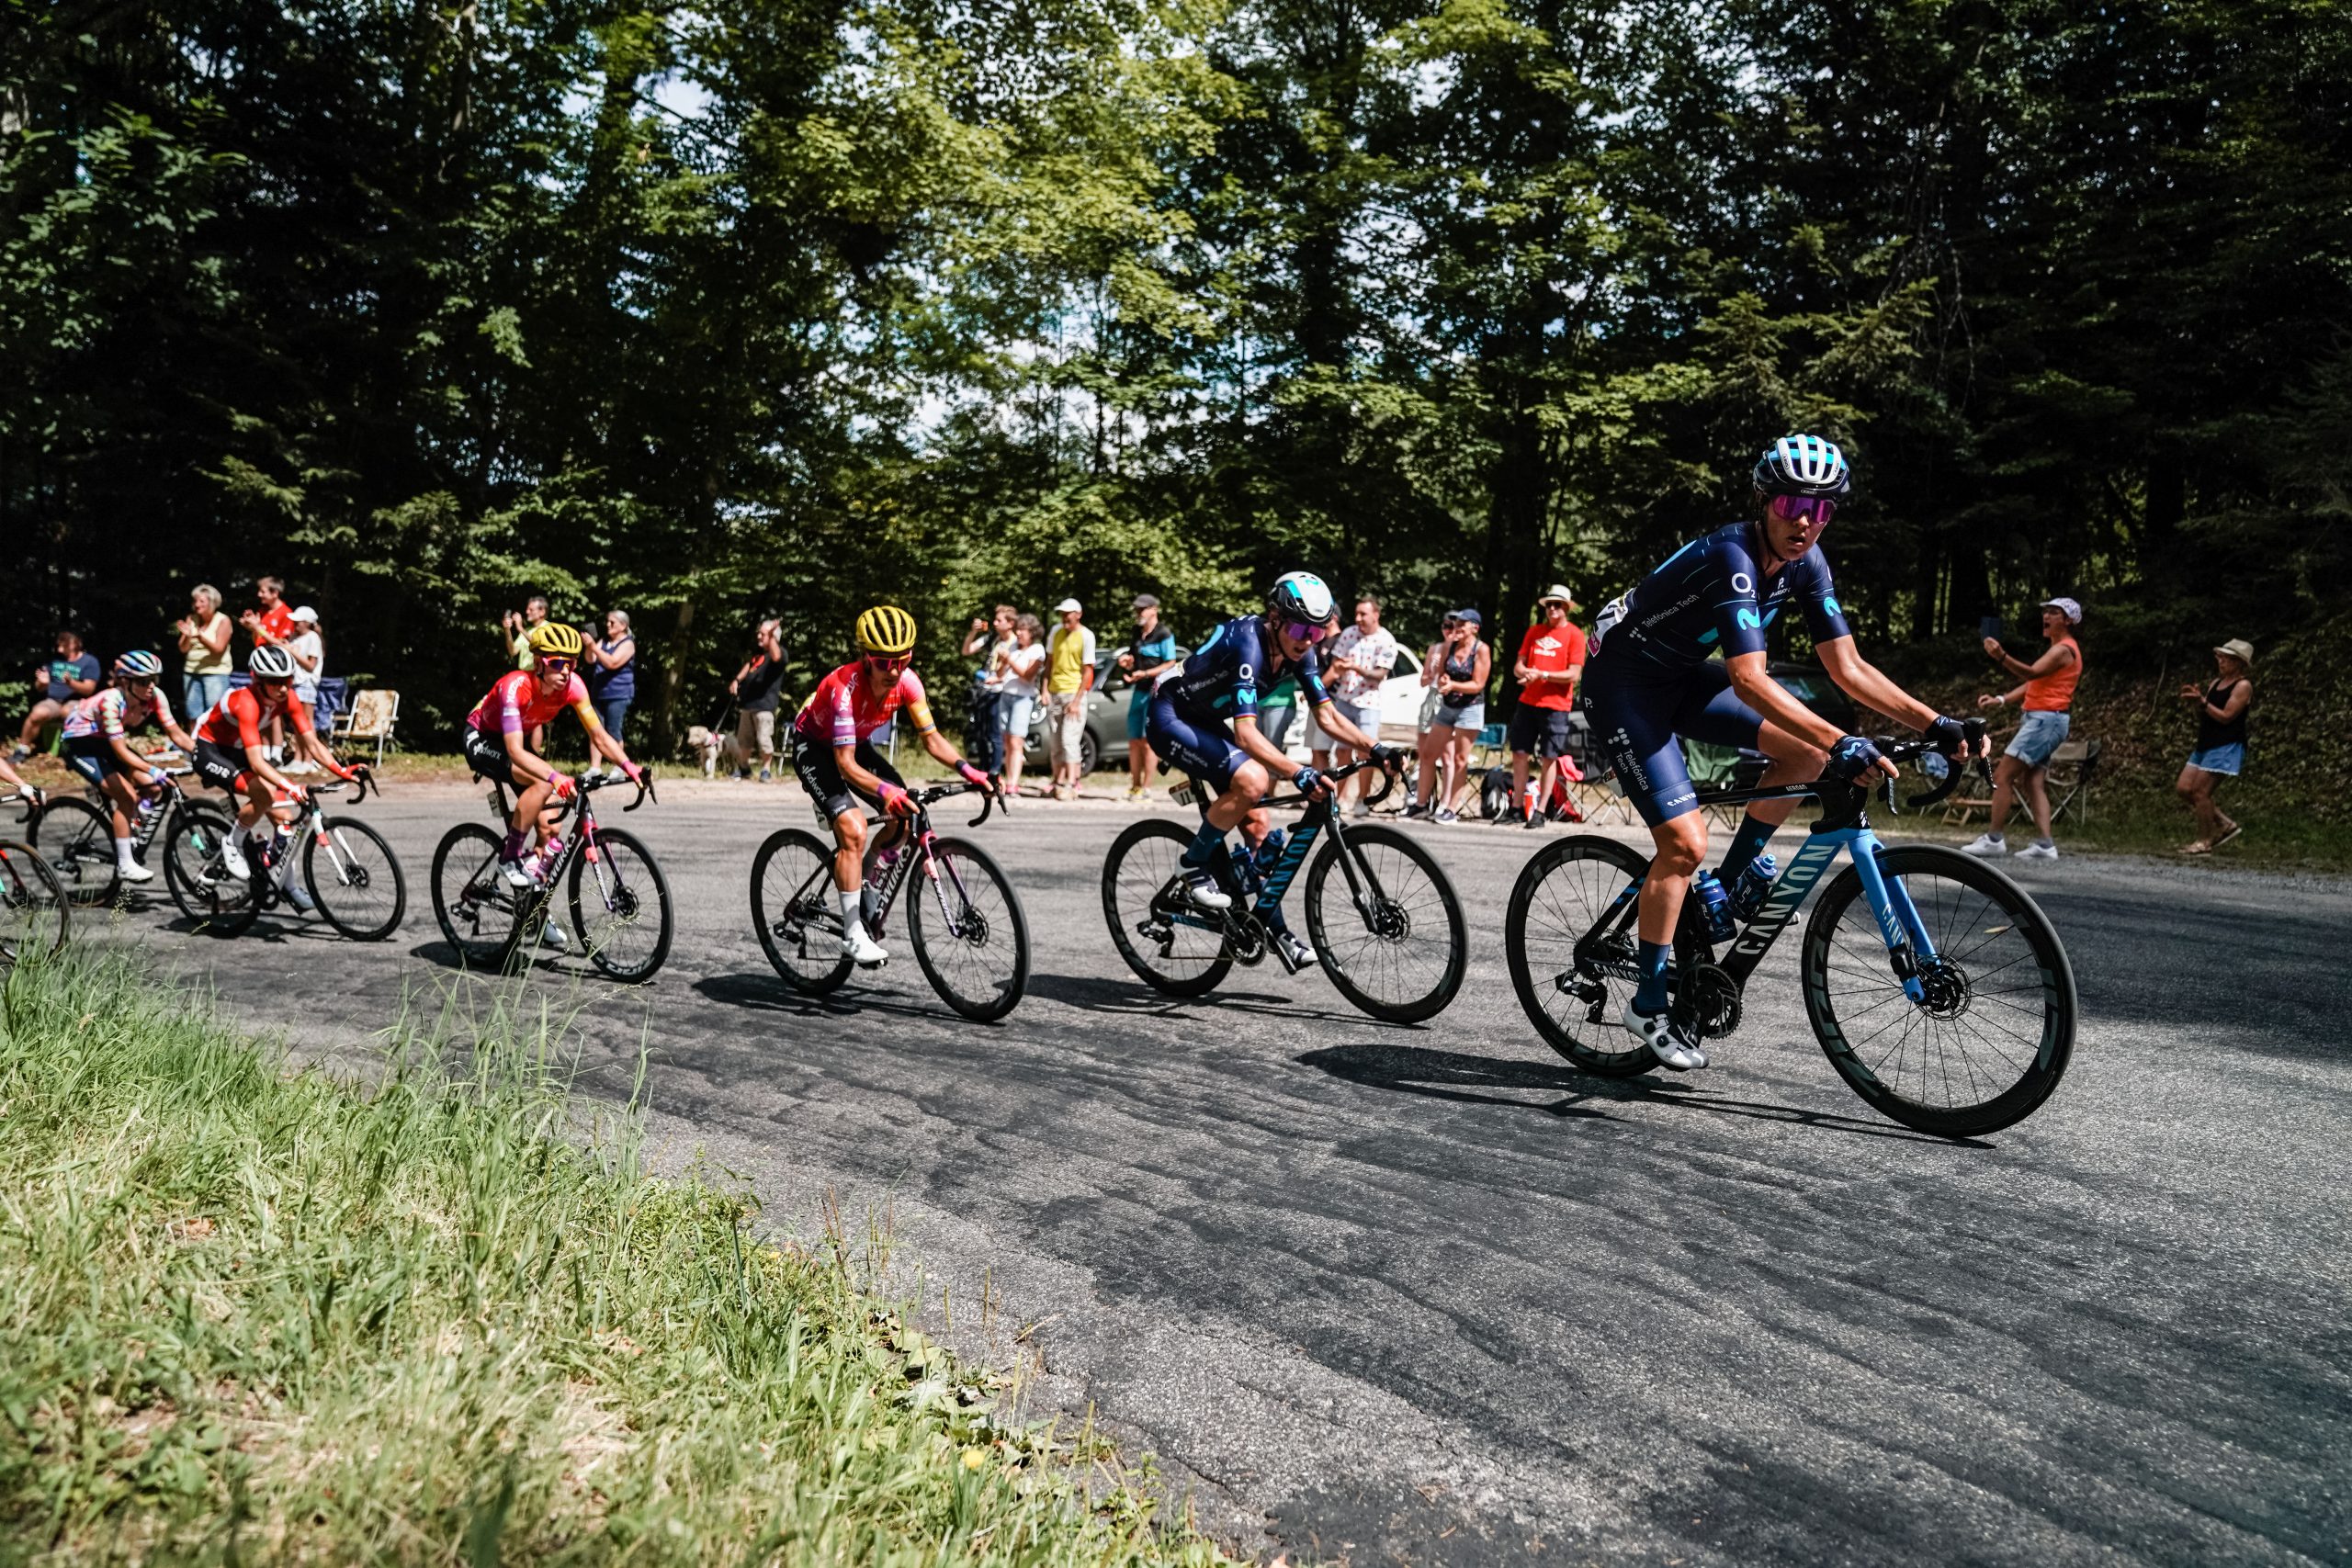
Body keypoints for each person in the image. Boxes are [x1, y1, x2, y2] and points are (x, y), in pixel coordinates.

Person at [1581, 433, 1980, 1072]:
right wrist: (1841, 736)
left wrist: (1938, 723)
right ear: (1765, 500)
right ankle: (1649, 999)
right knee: (1683, 843)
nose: (1804, 521)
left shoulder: (1807, 564)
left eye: (1820, 510)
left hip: (1680, 676)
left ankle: (1729, 885)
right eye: (1793, 503)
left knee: (1806, 759)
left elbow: (1847, 666)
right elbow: (1750, 679)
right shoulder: (1731, 556)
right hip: (1623, 686)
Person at [1146, 571, 1391, 972]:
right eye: (1298, 627)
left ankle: (1272, 929)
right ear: (1274, 617)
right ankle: (1193, 865)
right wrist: (1299, 772)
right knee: (1254, 780)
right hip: (1170, 714)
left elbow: (1327, 715)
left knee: (1258, 824)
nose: (1307, 639)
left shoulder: (1302, 650)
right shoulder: (1248, 643)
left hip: (1205, 720)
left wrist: (1375, 748)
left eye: (1317, 631)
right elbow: (1246, 733)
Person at [790, 606, 993, 967]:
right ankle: (853, 934)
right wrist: (885, 792)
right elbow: (845, 764)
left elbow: (932, 740)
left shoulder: (908, 683)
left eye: (903, 660)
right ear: (866, 659)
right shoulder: (843, 689)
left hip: (858, 744)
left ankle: (862, 877)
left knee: (903, 815)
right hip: (816, 749)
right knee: (853, 830)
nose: (895, 670)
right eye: (884, 663)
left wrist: (970, 771)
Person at [460, 622, 642, 899]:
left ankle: (534, 913)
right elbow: (515, 752)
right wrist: (555, 777)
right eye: (558, 662)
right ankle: (509, 858)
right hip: (483, 738)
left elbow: (600, 736)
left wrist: (629, 767)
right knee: (544, 782)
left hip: (514, 743)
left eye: (572, 662)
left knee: (550, 828)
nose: (566, 670)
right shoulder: (515, 686)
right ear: (539, 663)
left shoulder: (573, 686)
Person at [191, 646, 365, 894]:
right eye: (275, 682)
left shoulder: (287, 697)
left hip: (237, 749)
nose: (283, 688)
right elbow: (258, 763)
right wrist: (290, 786)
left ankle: (287, 885)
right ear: (258, 681)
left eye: (287, 680)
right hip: (210, 750)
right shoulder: (247, 702)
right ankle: (232, 842)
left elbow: (312, 743)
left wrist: (342, 770)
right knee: (264, 794)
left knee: (283, 820)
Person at [60, 650, 198, 884]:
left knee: (154, 789)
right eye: (144, 681)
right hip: (80, 745)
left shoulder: (156, 696)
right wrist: (153, 769)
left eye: (154, 680)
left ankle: (130, 825)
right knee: (127, 796)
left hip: (106, 743)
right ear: (127, 681)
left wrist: (201, 755)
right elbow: (121, 751)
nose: (151, 686)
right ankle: (125, 864)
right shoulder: (111, 700)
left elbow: (175, 733)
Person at [1962, 598, 2083, 863]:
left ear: (2068, 621)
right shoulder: (2057, 650)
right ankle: (2045, 845)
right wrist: (2002, 699)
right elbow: (2035, 684)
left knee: (2003, 775)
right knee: (2032, 781)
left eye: (2054, 613)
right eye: (2045, 612)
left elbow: (2030, 674)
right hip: (2046, 721)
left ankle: (1994, 839)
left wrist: (2001, 656)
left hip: (2045, 722)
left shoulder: (2063, 650)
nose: (2046, 616)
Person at [1306, 596, 1399, 818]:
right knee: (1342, 751)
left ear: (1375, 615)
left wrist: (1356, 668)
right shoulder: (1349, 634)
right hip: (1344, 698)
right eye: (1356, 614)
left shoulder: (1386, 639)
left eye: (1363, 614)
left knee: (1367, 752)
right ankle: (1339, 799)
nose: (1358, 619)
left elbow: (1379, 674)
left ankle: (1362, 799)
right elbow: (1337, 665)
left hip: (1368, 703)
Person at [1507, 586, 1587, 829]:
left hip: (1556, 705)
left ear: (1566, 608)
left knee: (1548, 758)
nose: (1552, 609)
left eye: (1557, 605)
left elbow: (1574, 673)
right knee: (1519, 754)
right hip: (1528, 701)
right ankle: (1517, 807)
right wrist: (1528, 672)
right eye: (1549, 604)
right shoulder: (1535, 631)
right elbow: (1518, 666)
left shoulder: (1574, 635)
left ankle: (1540, 810)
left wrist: (1542, 674)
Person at [1408, 610, 1489, 823]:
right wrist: (1444, 681)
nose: (1458, 627)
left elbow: (1478, 684)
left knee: (1459, 759)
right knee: (1427, 754)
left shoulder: (1481, 650)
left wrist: (1453, 685)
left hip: (1470, 708)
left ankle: (1451, 808)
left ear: (1475, 627)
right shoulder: (1449, 646)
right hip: (1447, 706)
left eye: (1463, 623)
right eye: (1456, 623)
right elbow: (1443, 672)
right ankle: (1420, 804)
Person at [2176, 637, 2254, 854]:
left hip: (2226, 744)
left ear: (2238, 663)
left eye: (2227, 659)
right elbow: (2206, 714)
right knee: (2184, 788)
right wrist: (2196, 703)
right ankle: (2224, 823)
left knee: (2201, 792)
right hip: (2206, 742)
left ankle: (2204, 841)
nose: (2221, 662)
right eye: (2220, 657)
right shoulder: (2215, 684)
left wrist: (2203, 703)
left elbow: (2227, 716)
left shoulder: (2243, 686)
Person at [1117, 594, 1181, 801]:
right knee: (1134, 740)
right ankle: (1134, 785)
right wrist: (1127, 662)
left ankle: (1146, 787)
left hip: (1156, 691)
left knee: (1147, 741)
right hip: (1139, 689)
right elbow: (1134, 657)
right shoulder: (1136, 632)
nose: (1139, 613)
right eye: (1137, 610)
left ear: (1154, 610)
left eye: (1142, 609)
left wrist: (1145, 673)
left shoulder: (1164, 633)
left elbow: (1170, 662)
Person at [12, 630, 101, 762]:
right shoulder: (54, 661)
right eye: (58, 645)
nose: (59, 649)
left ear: (74, 644)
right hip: (53, 701)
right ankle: (22, 750)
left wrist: (72, 683)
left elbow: (89, 689)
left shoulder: (89, 661)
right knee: (37, 713)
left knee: (69, 713)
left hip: (76, 701)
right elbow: (38, 687)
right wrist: (42, 683)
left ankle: (73, 754)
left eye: (63, 645)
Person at [1044, 598, 1096, 799]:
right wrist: (1044, 689)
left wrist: (1076, 700)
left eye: (1068, 614)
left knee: (1069, 740)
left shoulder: (1086, 636)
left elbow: (1088, 671)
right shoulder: (1056, 631)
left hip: (1074, 693)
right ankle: (1057, 781)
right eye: (1062, 614)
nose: (1064, 617)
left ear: (1078, 614)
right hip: (1055, 692)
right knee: (1055, 742)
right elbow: (1049, 662)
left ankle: (1073, 783)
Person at [729, 618, 787, 781]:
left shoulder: (779, 654)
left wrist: (772, 636)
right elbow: (748, 667)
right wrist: (736, 680)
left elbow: (776, 657)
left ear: (773, 636)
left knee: (764, 739)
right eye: (759, 633)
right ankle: (744, 769)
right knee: (744, 741)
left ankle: (766, 770)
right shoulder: (758, 656)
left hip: (765, 706)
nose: (759, 636)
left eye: (763, 634)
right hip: (748, 705)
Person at [961, 606, 1017, 777]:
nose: (994, 623)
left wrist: (999, 677)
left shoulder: (1016, 643)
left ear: (1010, 624)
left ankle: (995, 771)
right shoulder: (993, 638)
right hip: (984, 690)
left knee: (995, 734)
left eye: (999, 620)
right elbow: (966, 651)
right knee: (980, 732)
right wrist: (972, 632)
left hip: (1000, 691)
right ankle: (983, 770)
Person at [996, 614, 1046, 796]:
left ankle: (1013, 784)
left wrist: (1009, 659)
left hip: (1023, 698)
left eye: (1022, 630)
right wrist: (1003, 662)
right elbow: (1000, 674)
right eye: (1017, 629)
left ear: (1031, 632)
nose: (1018, 633)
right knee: (1007, 741)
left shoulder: (1037, 650)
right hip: (1006, 695)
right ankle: (1008, 778)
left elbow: (1027, 676)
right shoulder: (1013, 648)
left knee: (1017, 741)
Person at [583, 610, 638, 775]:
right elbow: (590, 659)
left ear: (623, 626)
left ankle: (620, 766)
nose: (608, 625)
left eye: (612, 622)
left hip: (618, 694)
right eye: (607, 621)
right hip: (599, 692)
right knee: (595, 729)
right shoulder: (604, 642)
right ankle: (595, 767)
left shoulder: (628, 644)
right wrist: (590, 646)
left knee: (613, 730)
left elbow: (612, 663)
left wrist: (593, 647)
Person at [176, 584, 234, 718]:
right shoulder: (191, 619)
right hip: (191, 672)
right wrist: (188, 636)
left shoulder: (223, 620)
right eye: (195, 601)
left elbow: (219, 649)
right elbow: (183, 648)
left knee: (215, 715)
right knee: (193, 714)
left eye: (201, 601)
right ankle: (194, 739)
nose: (197, 604)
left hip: (215, 674)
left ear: (212, 602)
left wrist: (200, 637)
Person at [281, 606, 326, 773]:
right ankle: (298, 758)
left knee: (306, 722)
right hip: (294, 683)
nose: (294, 624)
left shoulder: (313, 637)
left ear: (307, 623)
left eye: (298, 621)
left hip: (307, 683)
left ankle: (308, 759)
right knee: (296, 723)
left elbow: (310, 665)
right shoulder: (295, 637)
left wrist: (291, 652)